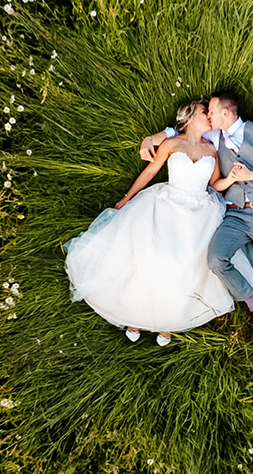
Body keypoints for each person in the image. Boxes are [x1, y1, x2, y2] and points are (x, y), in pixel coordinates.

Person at [136, 89, 253, 367]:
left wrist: (251, 175)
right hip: (234, 216)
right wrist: (151, 139)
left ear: (225, 112)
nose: (208, 116)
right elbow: (178, 132)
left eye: (211, 111)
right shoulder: (213, 136)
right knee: (215, 258)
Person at [62, 96, 238, 345]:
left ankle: (168, 321)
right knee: (153, 255)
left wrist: (231, 179)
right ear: (188, 117)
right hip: (167, 204)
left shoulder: (212, 150)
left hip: (200, 210)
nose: (209, 116)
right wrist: (127, 197)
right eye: (203, 111)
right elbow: (150, 171)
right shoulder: (171, 143)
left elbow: (215, 185)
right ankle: (136, 315)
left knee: (188, 263)